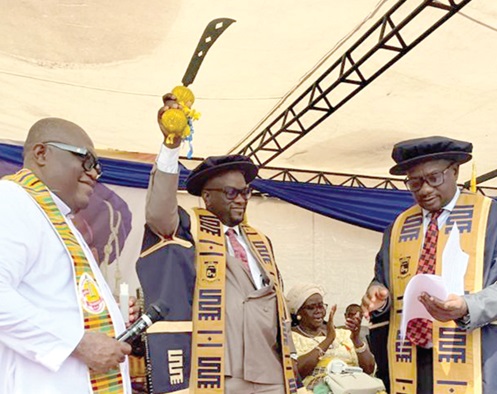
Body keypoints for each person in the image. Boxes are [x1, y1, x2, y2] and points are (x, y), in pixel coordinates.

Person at [139, 94, 297, 394]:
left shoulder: (260, 241)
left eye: (246, 192)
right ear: (207, 196)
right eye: (231, 192)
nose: (241, 199)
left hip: (270, 368)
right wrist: (171, 146)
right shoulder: (191, 229)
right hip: (221, 370)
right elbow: (159, 211)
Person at [0, 118, 138, 393]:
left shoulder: (54, 217)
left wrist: (112, 310)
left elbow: (51, 298)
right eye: (86, 160)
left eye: (98, 165)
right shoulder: (10, 200)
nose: (95, 172)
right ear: (41, 154)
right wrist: (77, 342)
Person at [361, 136, 497, 394]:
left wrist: (468, 306)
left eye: (434, 178)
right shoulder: (398, 227)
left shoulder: (491, 218)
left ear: (455, 171)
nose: (424, 189)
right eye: (414, 182)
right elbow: (383, 280)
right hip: (413, 359)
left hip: (477, 357)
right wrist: (379, 294)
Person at [286, 283, 375, 392]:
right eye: (311, 308)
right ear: (298, 312)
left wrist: (356, 339)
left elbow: (369, 369)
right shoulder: (291, 338)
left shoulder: (344, 334)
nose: (318, 311)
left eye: (320, 306)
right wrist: (328, 340)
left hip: (356, 385)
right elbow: (296, 373)